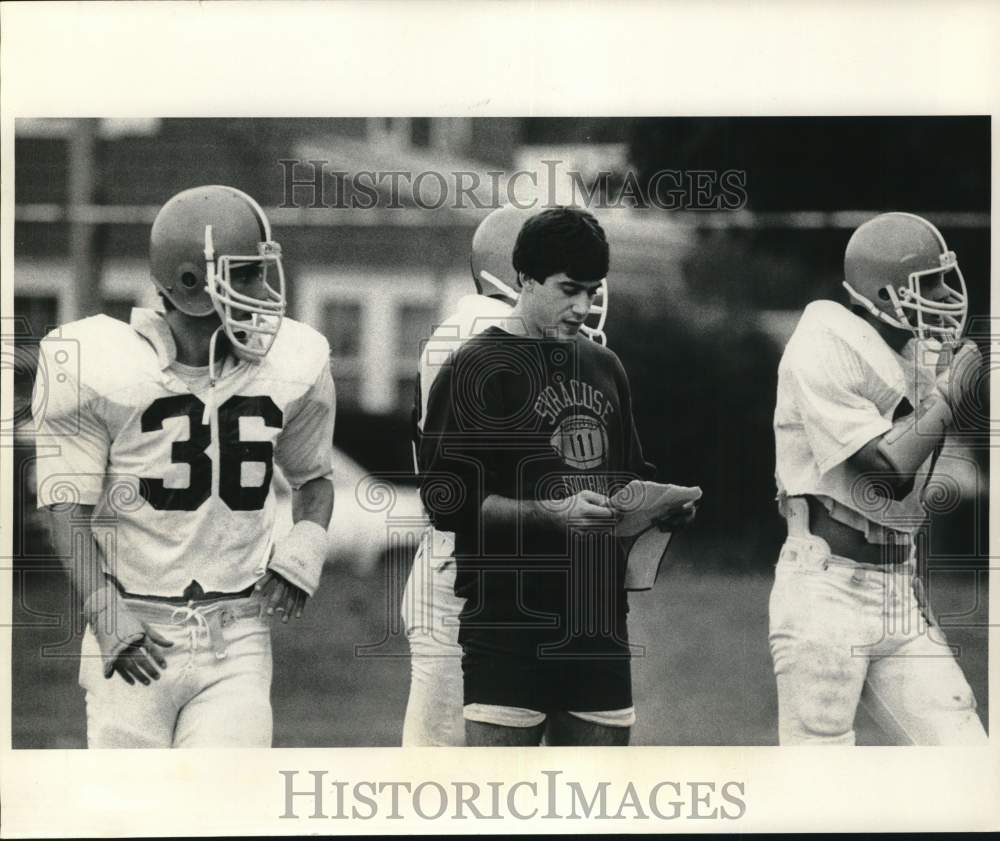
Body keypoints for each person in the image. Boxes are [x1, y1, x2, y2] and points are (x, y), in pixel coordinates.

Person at [32, 185, 336, 748]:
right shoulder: (102, 364)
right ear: (191, 281)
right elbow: (64, 507)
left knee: (224, 810)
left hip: (237, 636)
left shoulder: (292, 363)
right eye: (245, 274)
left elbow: (315, 478)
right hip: (135, 628)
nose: (263, 291)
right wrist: (104, 612)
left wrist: (304, 548)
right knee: (133, 818)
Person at [418, 206, 692, 747]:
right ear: (524, 278)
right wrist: (551, 513)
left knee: (594, 811)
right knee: (499, 812)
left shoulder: (604, 366)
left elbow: (628, 478)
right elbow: (447, 504)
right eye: (569, 289)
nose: (583, 307)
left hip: (598, 626)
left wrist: (658, 506)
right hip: (507, 627)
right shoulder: (474, 366)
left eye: (592, 292)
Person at [769, 211, 987, 745]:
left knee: (969, 764)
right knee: (819, 785)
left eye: (942, 279)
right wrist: (949, 396)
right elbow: (885, 472)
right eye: (927, 282)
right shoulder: (823, 341)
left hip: (896, 584)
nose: (942, 294)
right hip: (826, 586)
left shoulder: (914, 350)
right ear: (884, 292)